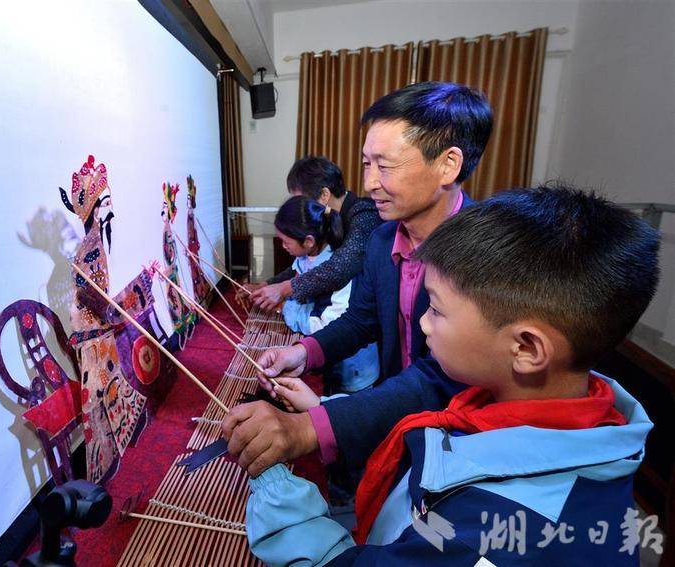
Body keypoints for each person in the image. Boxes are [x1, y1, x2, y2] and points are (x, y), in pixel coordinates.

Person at [244, 185, 660, 565]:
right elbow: (433, 525)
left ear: (527, 349)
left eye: (437, 309)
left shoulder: (497, 534)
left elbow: (447, 542)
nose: (423, 323)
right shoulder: (511, 407)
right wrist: (323, 407)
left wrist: (276, 490)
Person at [223, 82, 493, 477]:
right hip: (398, 423)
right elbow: (361, 319)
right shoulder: (383, 240)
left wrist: (312, 426)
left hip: (460, 447)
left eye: (385, 165)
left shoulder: (486, 254)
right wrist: (303, 353)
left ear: (447, 165)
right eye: (367, 164)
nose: (369, 183)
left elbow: (439, 378)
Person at [274, 195, 379, 395]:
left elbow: (326, 325)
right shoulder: (306, 257)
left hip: (353, 370)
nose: (283, 246)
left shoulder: (334, 268)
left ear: (308, 241)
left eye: (286, 242)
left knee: (344, 407)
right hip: (331, 359)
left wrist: (287, 308)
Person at [249, 156, 382, 312]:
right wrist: (267, 285)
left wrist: (284, 289)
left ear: (324, 195)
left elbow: (339, 268)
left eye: (301, 200)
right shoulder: (326, 218)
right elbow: (303, 266)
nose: (299, 207)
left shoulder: (364, 214)